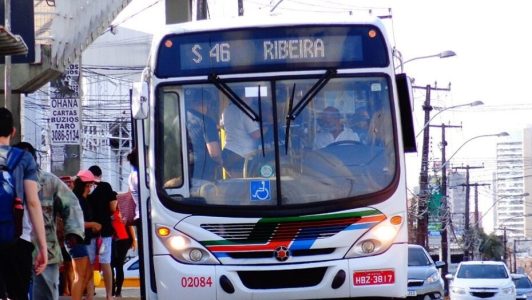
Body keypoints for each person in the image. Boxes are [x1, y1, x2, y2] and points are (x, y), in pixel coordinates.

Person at [13, 142, 85, 300]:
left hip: (45, 248)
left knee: (46, 292)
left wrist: (73, 232)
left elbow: (71, 205)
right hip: (13, 248)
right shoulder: (6, 182)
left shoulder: (50, 182)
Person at [0, 107, 48, 300]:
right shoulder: (25, 158)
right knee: (18, 294)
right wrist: (42, 246)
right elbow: (33, 203)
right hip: (18, 239)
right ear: (13, 131)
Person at [88, 165, 117, 300]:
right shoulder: (106, 186)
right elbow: (113, 207)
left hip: (89, 229)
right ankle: (109, 295)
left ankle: (89, 294)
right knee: (106, 262)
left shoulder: (85, 186)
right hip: (105, 229)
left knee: (89, 263)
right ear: (100, 175)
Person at [72, 170, 101, 300]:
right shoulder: (78, 201)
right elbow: (77, 222)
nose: (91, 188)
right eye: (90, 185)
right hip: (77, 240)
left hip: (82, 240)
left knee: (87, 274)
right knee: (80, 276)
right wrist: (93, 224)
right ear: (86, 185)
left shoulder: (82, 200)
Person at [185, 92, 223, 181]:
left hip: (182, 167)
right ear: (206, 104)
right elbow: (214, 153)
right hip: (202, 170)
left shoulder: (179, 119)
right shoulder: (207, 122)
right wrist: (221, 161)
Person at [220, 101, 261, 177]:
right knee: (242, 186)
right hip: (240, 156)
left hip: (228, 152)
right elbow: (256, 135)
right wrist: (269, 127)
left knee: (237, 184)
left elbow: (221, 125)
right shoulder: (245, 111)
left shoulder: (227, 110)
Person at [110, 205, 136, 297]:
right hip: (110, 240)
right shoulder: (106, 210)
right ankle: (111, 289)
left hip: (123, 240)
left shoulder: (122, 210)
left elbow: (129, 226)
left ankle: (118, 290)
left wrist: (134, 240)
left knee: (119, 265)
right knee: (110, 265)